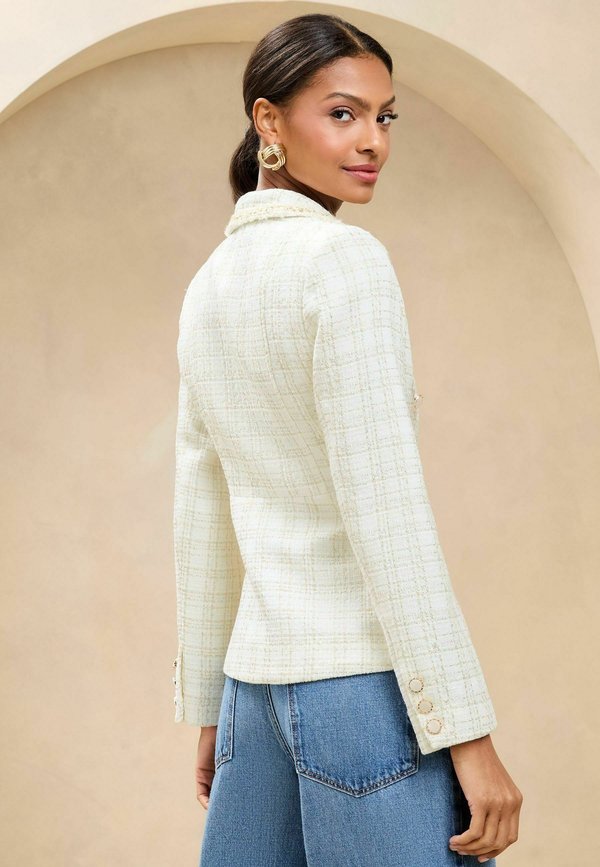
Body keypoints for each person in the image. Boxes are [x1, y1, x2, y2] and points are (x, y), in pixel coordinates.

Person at [172, 12, 523, 866]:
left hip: (255, 691)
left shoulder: (208, 286)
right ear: (268, 121)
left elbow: (200, 511)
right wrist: (467, 732)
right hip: (360, 695)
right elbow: (386, 509)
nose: (373, 141)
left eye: (384, 116)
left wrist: (211, 705)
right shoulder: (342, 261)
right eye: (343, 113)